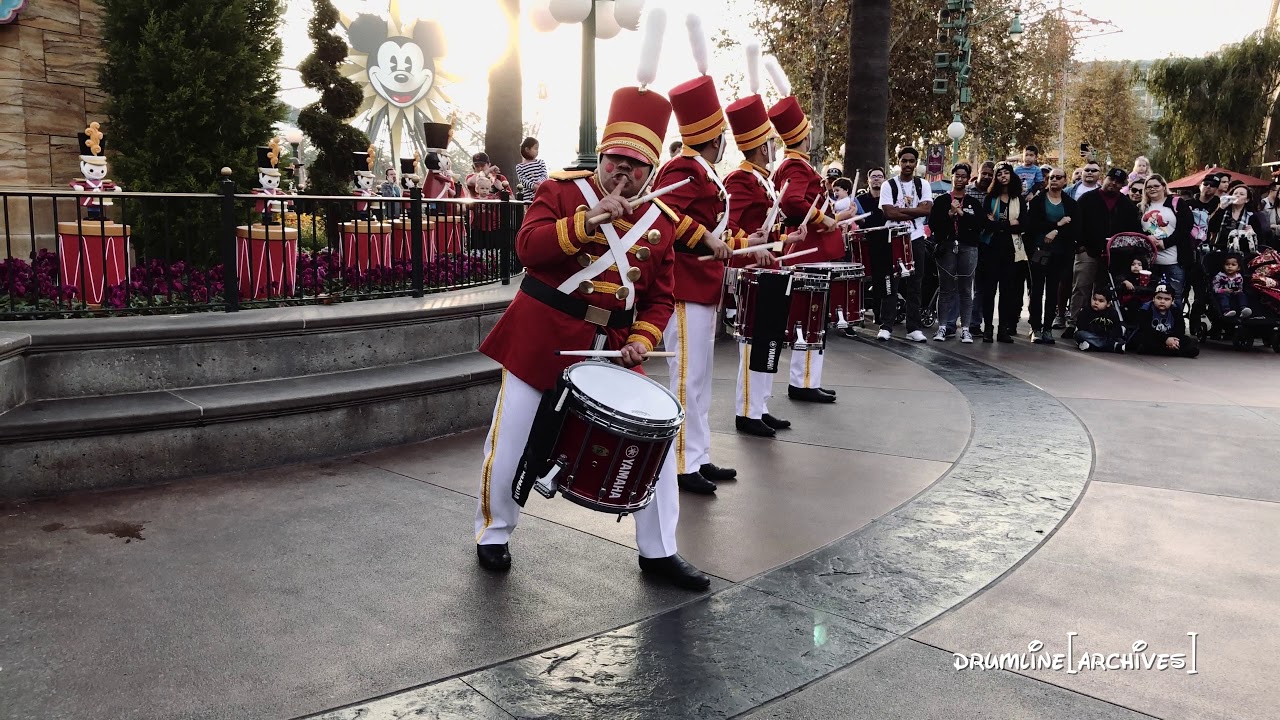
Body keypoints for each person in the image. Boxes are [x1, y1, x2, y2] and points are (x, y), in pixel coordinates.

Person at [472, 83, 712, 591]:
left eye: (636, 165)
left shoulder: (661, 223)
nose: (624, 171)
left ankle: (660, 551)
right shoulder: (562, 191)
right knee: (512, 435)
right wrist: (587, 221)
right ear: (601, 156)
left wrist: (644, 340)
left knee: (659, 443)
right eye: (616, 160)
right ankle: (494, 533)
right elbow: (529, 249)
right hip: (543, 334)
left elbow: (659, 298)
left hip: (612, 346)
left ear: (650, 171)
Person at [651, 68, 749, 494]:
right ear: (715, 136)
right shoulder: (683, 167)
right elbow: (662, 213)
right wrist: (705, 236)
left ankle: (698, 454)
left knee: (701, 376)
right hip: (685, 285)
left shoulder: (700, 169)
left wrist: (737, 240)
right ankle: (680, 462)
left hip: (703, 284)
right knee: (687, 375)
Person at [723, 91, 803, 438]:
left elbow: (765, 227)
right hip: (751, 272)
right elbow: (730, 226)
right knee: (753, 343)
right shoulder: (741, 179)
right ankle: (747, 411)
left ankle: (761, 405)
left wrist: (789, 236)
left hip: (768, 269)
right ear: (760, 145)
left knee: (769, 340)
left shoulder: (761, 178)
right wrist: (753, 248)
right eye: (769, 141)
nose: (774, 146)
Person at [769, 88, 848, 398]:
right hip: (808, 250)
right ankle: (802, 382)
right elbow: (792, 201)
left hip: (809, 250)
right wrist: (823, 219)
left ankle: (808, 380)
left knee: (813, 316)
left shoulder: (794, 164)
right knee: (809, 316)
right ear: (803, 137)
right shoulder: (796, 166)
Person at [1067, 167, 1141, 337]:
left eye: (1118, 182)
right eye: (1111, 179)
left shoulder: (1126, 204)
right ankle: (1074, 321)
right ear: (1105, 179)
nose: (1113, 184)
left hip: (1113, 255)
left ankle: (1099, 323)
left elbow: (1132, 230)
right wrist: (1079, 244)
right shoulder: (1088, 198)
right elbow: (1076, 223)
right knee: (1081, 286)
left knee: (1104, 290)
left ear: (1123, 185)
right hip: (1088, 250)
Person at [877, 147, 933, 343]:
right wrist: (914, 210)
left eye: (911, 161)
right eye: (904, 161)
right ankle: (886, 326)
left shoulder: (923, 184)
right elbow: (888, 213)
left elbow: (927, 210)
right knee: (891, 283)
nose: (908, 164)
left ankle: (913, 328)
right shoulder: (888, 185)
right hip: (893, 237)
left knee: (915, 283)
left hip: (916, 237)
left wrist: (901, 210)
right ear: (898, 162)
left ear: (916, 163)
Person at [1024, 166, 1079, 344]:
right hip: (1039, 251)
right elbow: (1033, 224)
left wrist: (1056, 231)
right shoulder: (1038, 201)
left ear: (1065, 181)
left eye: (1058, 177)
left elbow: (1073, 228)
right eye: (1051, 177)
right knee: (1037, 289)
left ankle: (1048, 328)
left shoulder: (1070, 204)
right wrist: (1057, 224)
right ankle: (1035, 327)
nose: (1054, 180)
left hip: (1060, 253)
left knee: (1053, 290)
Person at [928, 163, 983, 343]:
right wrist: (950, 214)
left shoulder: (973, 202)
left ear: (968, 179)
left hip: (968, 247)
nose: (960, 179)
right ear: (952, 177)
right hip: (947, 247)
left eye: (963, 176)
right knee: (946, 289)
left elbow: (978, 225)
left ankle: (966, 329)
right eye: (957, 176)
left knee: (966, 289)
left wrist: (961, 213)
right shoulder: (942, 200)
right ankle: (942, 327)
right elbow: (934, 225)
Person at [980, 162, 1026, 343]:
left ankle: (1003, 330)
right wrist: (1008, 224)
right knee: (989, 291)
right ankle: (988, 329)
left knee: (1008, 291)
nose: (1003, 177)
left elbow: (1024, 224)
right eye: (999, 174)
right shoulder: (990, 198)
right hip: (991, 249)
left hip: (1012, 250)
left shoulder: (1018, 199)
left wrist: (998, 224)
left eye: (1006, 173)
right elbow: (985, 223)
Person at [1140, 174, 1193, 309]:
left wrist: (1165, 243)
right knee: (1152, 296)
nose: (1152, 189)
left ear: (1164, 187)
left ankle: (1176, 327)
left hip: (1175, 260)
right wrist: (1148, 237)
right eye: (1149, 187)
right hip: (1152, 262)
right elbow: (1138, 229)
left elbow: (1185, 227)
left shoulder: (1176, 202)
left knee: (1175, 296)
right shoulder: (1142, 206)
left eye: (1156, 186)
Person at [1131, 283, 1200, 358]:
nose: (1162, 301)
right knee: (1142, 340)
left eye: (1166, 299)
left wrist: (1173, 341)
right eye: (1159, 298)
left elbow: (1180, 329)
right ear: (1153, 299)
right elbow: (1145, 329)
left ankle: (1171, 349)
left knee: (1190, 342)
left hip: (1170, 337)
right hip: (1154, 337)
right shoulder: (1146, 308)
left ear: (1172, 301)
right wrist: (1165, 339)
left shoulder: (1175, 310)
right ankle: (1173, 351)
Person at [1210, 183, 1268, 253]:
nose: (1237, 195)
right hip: (1220, 250)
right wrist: (1221, 208)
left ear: (1247, 200)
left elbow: (1260, 239)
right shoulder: (1223, 211)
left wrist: (1252, 232)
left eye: (1241, 194)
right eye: (1235, 193)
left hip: (1242, 252)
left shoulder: (1251, 216)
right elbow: (1211, 227)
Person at [514, 137, 548, 202]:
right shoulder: (520, 167)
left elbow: (545, 175)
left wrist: (539, 183)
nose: (537, 151)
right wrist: (533, 186)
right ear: (527, 149)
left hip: (542, 195)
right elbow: (523, 180)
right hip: (528, 198)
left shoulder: (540, 162)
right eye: (535, 148)